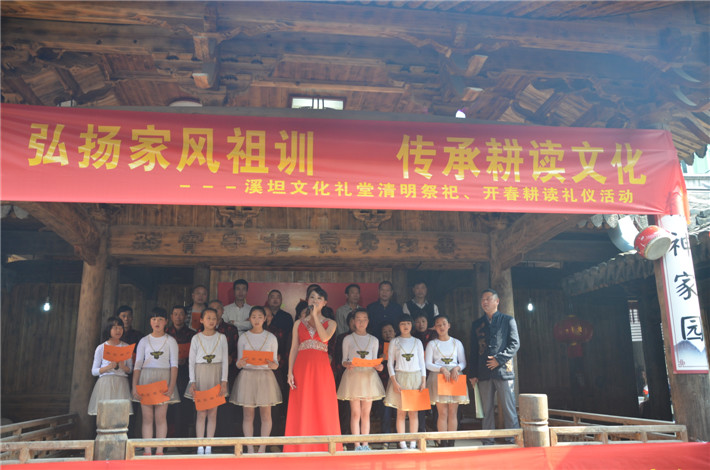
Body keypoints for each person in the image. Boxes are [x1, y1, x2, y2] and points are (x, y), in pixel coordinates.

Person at [284, 287, 342, 452]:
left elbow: (324, 337)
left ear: (324, 303)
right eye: (312, 297)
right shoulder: (298, 323)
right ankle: (300, 447)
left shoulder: (331, 323)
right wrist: (289, 372)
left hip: (321, 368)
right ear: (307, 300)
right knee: (302, 404)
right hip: (301, 368)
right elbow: (294, 348)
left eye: (319, 298)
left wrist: (315, 316)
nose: (315, 300)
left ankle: (325, 446)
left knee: (323, 404)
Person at [469, 289, 520, 445]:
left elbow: (515, 344)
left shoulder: (508, 320)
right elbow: (473, 350)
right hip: (483, 372)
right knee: (486, 409)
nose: (484, 302)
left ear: (497, 301)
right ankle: (488, 439)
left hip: (503, 370)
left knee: (509, 406)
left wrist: (499, 359)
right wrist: (472, 374)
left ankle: (513, 438)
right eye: (482, 299)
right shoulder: (477, 324)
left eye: (488, 299)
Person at [231, 306, 282, 453]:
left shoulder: (271, 337)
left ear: (265, 319)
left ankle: (262, 448)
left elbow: (275, 363)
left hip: (265, 377)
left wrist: (274, 365)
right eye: (254, 317)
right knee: (248, 415)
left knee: (266, 415)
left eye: (260, 317)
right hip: (247, 376)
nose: (257, 320)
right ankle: (250, 448)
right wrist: (239, 364)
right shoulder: (244, 337)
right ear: (249, 319)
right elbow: (239, 362)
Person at [132, 307, 180, 456]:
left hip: (163, 378)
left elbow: (174, 365)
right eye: (154, 319)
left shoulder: (171, 341)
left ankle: (159, 450)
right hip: (146, 378)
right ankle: (147, 450)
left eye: (160, 319)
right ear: (150, 322)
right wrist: (134, 386)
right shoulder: (144, 341)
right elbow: (138, 364)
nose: (157, 322)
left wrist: (171, 386)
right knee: (147, 418)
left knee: (161, 417)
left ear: (166, 321)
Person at [337, 308, 385, 451]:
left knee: (366, 413)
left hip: (369, 377)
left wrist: (379, 366)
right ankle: (356, 444)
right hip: (353, 377)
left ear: (368, 321)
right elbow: (343, 360)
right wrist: (348, 364)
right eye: (358, 319)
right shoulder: (348, 339)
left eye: (364, 319)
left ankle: (365, 444)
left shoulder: (374, 340)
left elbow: (374, 360)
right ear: (353, 321)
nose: (361, 322)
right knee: (355, 413)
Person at [185, 307, 229, 455]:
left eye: (214, 318)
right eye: (208, 318)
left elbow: (225, 361)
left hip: (216, 373)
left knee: (213, 412)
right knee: (201, 412)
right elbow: (191, 361)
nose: (211, 321)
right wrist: (192, 381)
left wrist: (224, 381)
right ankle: (200, 445)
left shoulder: (221, 337)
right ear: (201, 320)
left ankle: (209, 445)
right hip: (201, 373)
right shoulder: (196, 338)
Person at [425, 314, 469, 447]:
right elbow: (427, 364)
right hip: (439, 376)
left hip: (455, 376)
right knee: (442, 412)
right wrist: (441, 369)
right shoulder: (432, 344)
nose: (441, 327)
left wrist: (457, 368)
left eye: (444, 324)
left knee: (453, 411)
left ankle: (451, 441)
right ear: (434, 327)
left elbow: (463, 362)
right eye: (438, 325)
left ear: (449, 325)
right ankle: (443, 441)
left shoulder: (457, 343)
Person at [384, 314, 426, 450]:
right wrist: (394, 381)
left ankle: (413, 442)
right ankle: (402, 443)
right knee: (400, 412)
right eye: (402, 324)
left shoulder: (417, 342)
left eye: (408, 323)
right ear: (398, 326)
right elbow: (390, 364)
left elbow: (422, 362)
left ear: (411, 325)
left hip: (415, 377)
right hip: (400, 377)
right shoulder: (394, 342)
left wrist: (423, 380)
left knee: (413, 413)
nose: (405, 326)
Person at [205, 299, 240, 439]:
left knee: (225, 406)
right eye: (212, 308)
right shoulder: (201, 330)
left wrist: (232, 357)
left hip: (227, 372)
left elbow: (237, 349)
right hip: (207, 373)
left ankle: (225, 440)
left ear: (223, 311)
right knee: (207, 407)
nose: (215, 311)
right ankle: (207, 441)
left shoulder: (231, 329)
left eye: (218, 308)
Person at [88, 316, 133, 416]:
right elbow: (94, 371)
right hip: (105, 383)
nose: (118, 330)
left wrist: (123, 366)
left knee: (120, 415)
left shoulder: (126, 347)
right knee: (105, 415)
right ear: (108, 329)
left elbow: (130, 369)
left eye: (120, 328)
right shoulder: (101, 348)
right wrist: (108, 367)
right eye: (115, 328)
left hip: (121, 383)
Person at [166, 305, 196, 441]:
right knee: (167, 408)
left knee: (183, 408)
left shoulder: (192, 334)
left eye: (181, 314)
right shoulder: (165, 333)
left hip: (185, 374)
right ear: (171, 317)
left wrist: (186, 360)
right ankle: (166, 440)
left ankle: (181, 440)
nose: (178, 317)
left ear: (185, 317)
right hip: (168, 374)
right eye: (175, 314)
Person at [412, 312, 436, 433]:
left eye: (423, 321)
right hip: (417, 372)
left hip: (432, 371)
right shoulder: (412, 336)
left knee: (435, 402)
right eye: (417, 322)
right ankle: (421, 429)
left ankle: (436, 429)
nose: (420, 324)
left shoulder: (434, 335)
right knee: (420, 401)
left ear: (428, 323)